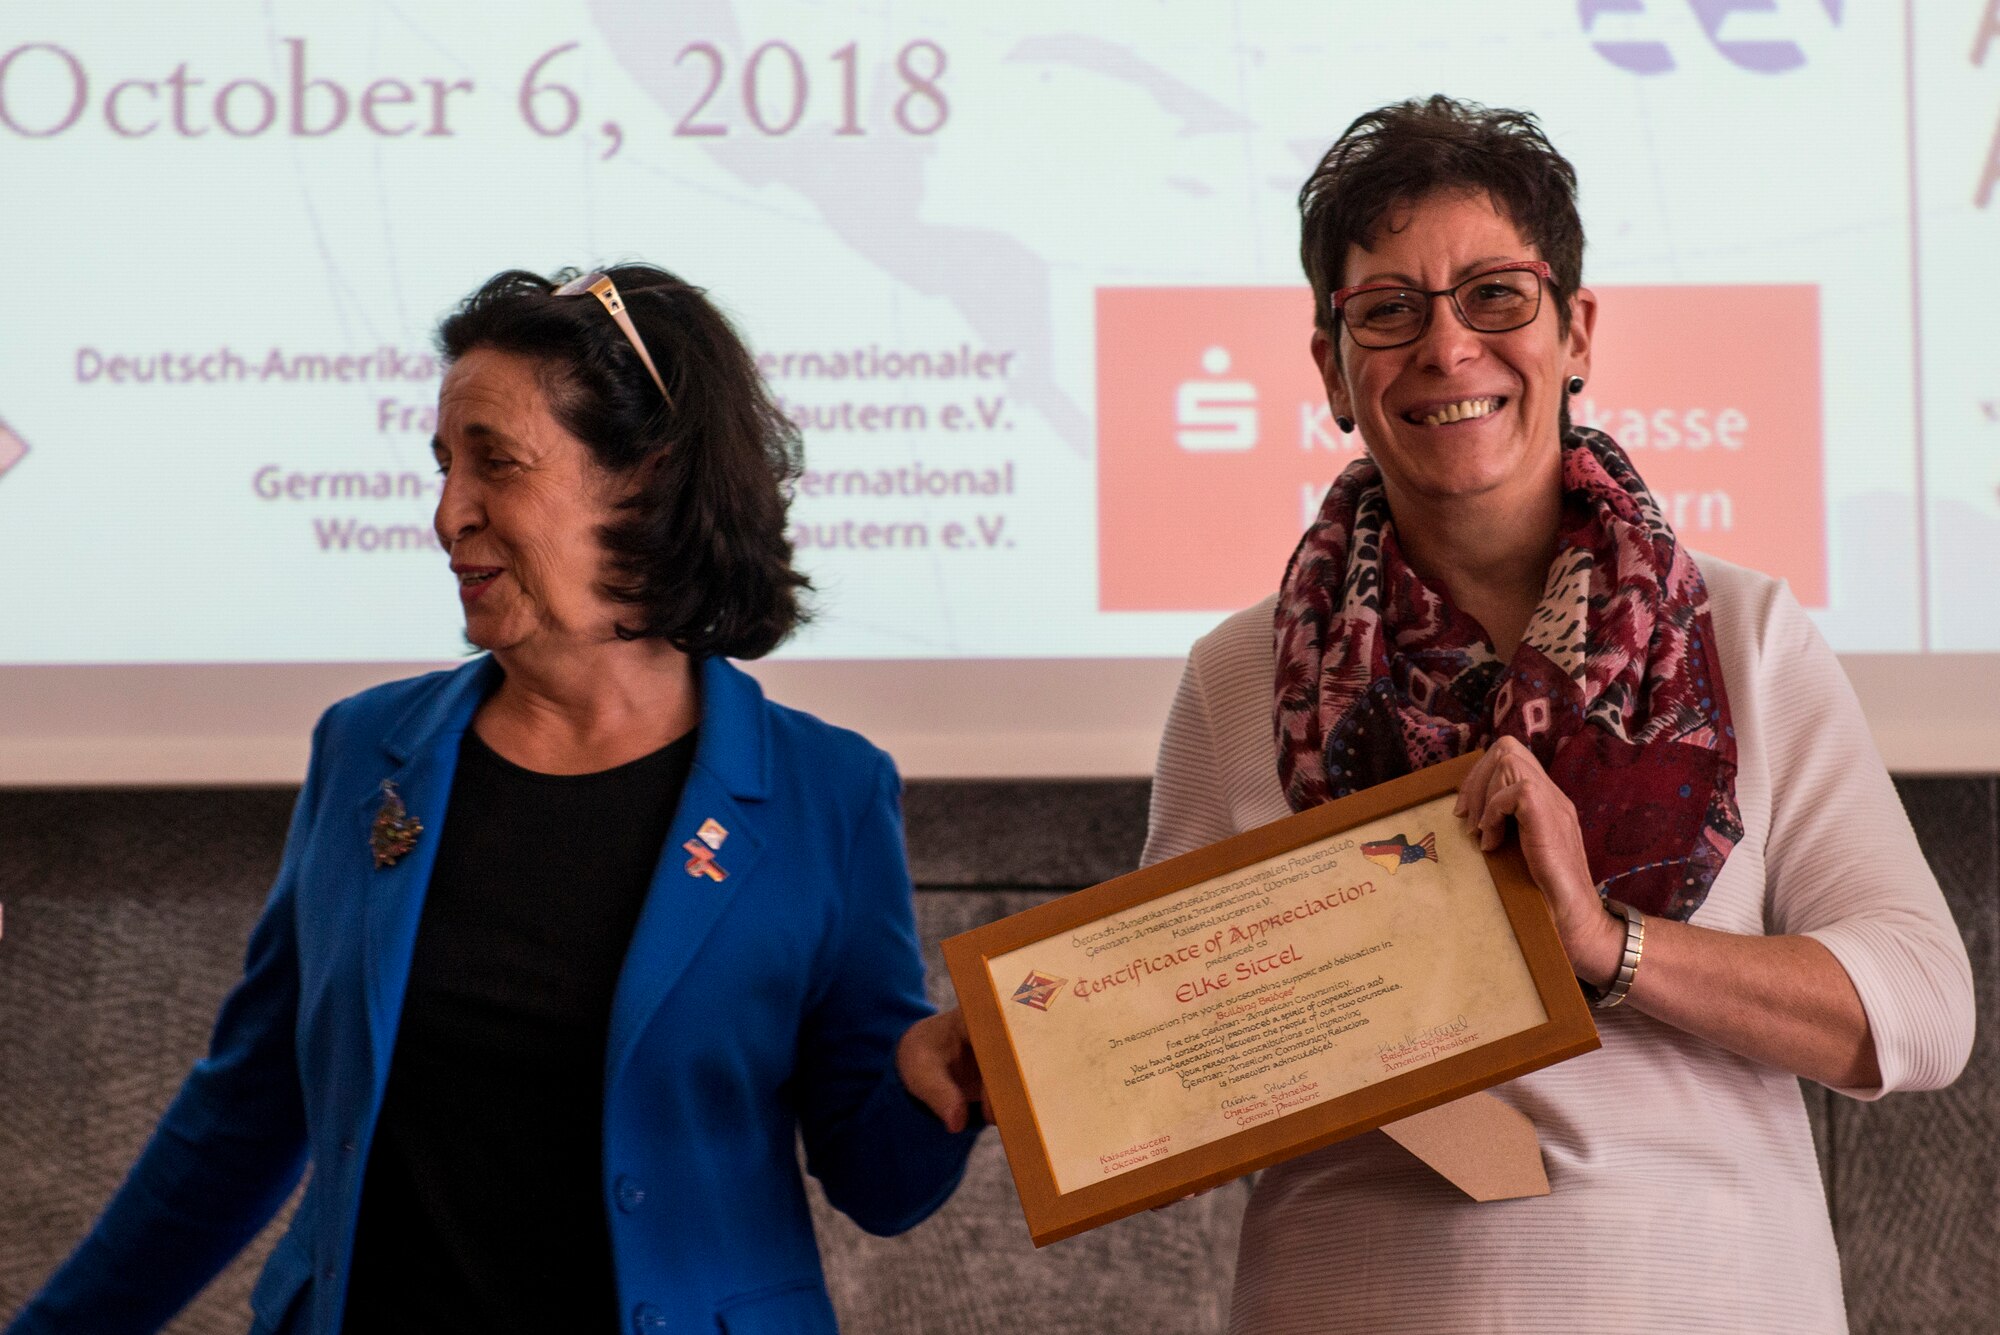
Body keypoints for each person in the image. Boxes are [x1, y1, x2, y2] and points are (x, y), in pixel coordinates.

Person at [8, 264, 984, 1335]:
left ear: (646, 480)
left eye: (496, 466)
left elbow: (881, 1186)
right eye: (440, 465)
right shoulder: (364, 752)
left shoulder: (824, 793)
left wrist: (933, 1081)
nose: (446, 514)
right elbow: (244, 1113)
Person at [1142, 98, 1975, 1334]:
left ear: (1573, 330)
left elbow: (1915, 1010)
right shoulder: (1240, 673)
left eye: (1494, 295)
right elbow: (1162, 1064)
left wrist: (1605, 946)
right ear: (1328, 367)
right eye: (1386, 311)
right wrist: (1036, 1057)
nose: (1445, 348)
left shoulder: (1739, 635)